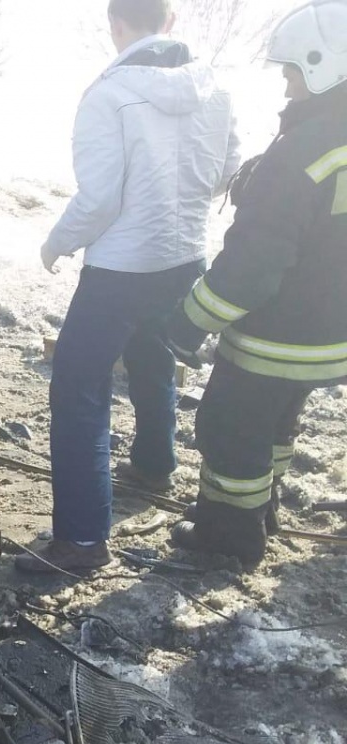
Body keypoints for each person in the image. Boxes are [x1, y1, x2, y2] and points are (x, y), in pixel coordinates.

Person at [16, 0, 241, 574]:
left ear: (116, 26)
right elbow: (226, 171)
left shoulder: (108, 95)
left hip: (119, 268)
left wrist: (56, 242)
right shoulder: (217, 89)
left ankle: (82, 539)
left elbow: (100, 198)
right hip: (184, 256)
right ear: (169, 22)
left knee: (78, 387)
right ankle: (152, 464)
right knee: (153, 358)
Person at [167, 0, 347, 566]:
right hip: (330, 332)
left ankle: (230, 539)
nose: (287, 83)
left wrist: (186, 322)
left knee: (230, 427)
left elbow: (252, 268)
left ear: (324, 66)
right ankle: (261, 509)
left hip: (278, 336)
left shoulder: (301, 153)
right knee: (276, 423)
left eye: (292, 70)